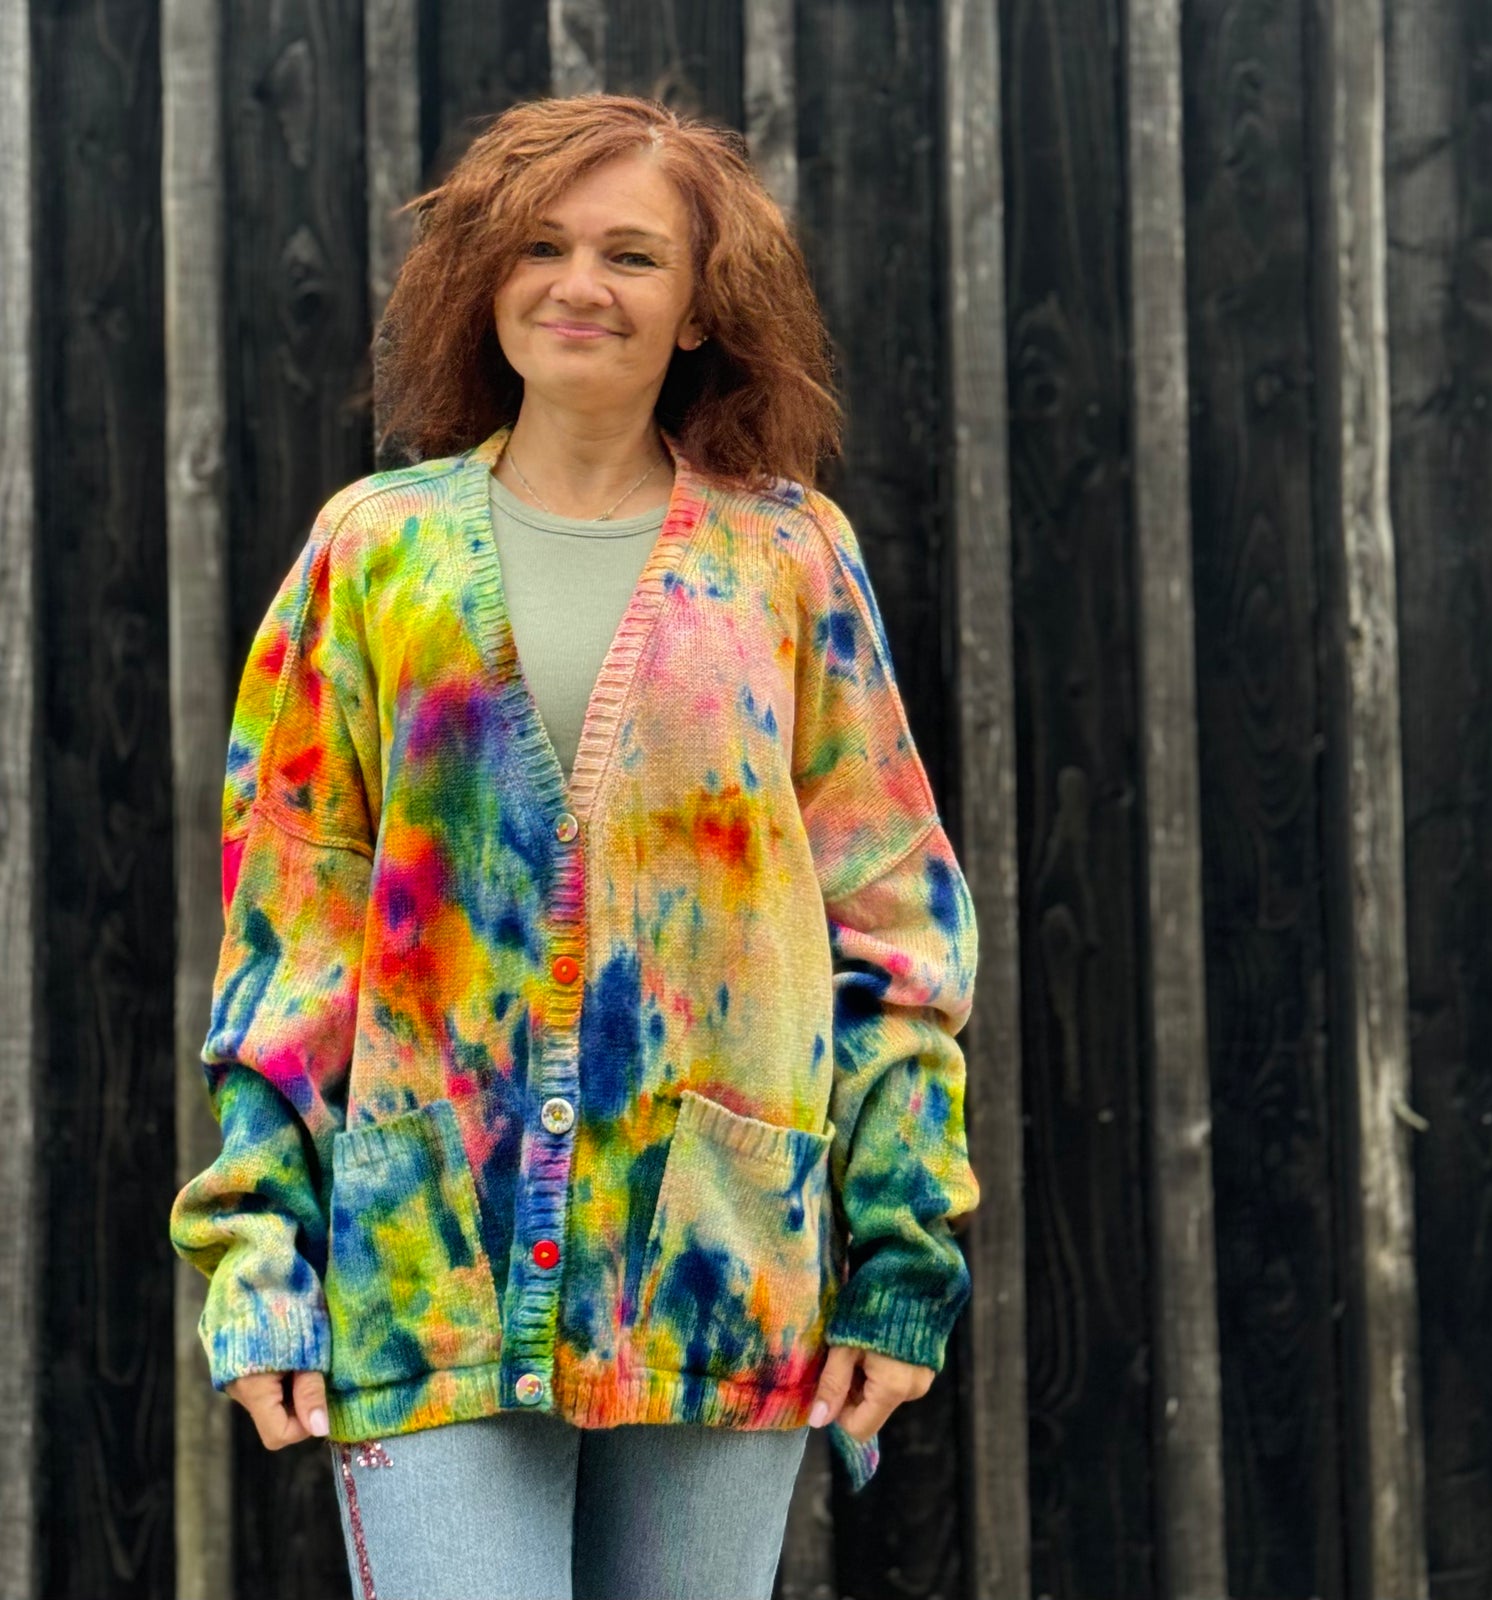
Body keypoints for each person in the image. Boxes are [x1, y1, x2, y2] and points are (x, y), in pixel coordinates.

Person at [170, 91, 980, 1600]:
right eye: (539, 246)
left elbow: (895, 923)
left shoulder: (787, 555)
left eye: (632, 254)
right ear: (486, 280)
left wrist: (902, 1250)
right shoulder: (377, 548)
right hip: (430, 1262)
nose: (578, 284)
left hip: (715, 1260)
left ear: (701, 308)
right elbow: (294, 925)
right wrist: (262, 1253)